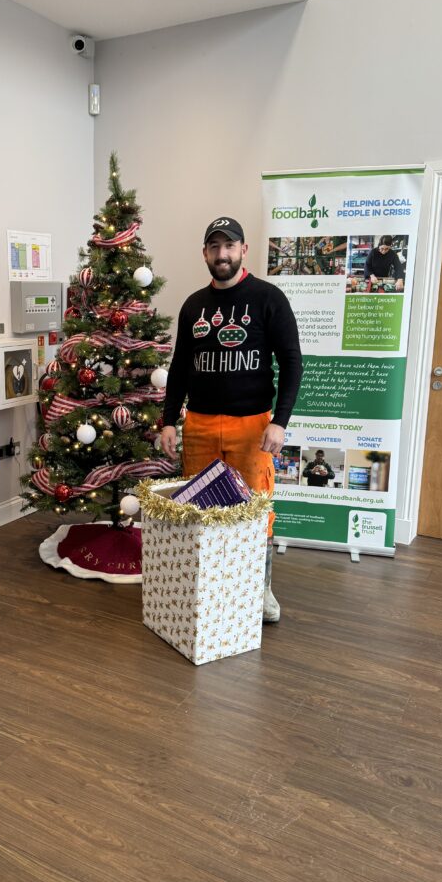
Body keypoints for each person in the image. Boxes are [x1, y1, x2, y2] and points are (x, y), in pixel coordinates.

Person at [160, 216, 303, 623]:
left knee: (255, 510)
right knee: (201, 508)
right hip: (200, 424)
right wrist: (170, 421)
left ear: (242, 250)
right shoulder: (193, 305)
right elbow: (180, 368)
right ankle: (207, 584)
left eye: (229, 246)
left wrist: (280, 420)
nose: (222, 254)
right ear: (205, 253)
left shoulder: (268, 298)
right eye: (214, 247)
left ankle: (260, 591)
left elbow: (292, 361)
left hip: (252, 427)